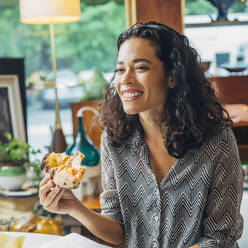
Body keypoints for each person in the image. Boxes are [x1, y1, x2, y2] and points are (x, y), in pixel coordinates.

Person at [39, 22, 244, 248]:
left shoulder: (217, 141)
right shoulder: (114, 139)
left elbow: (221, 237)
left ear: (172, 76)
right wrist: (73, 207)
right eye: (120, 69)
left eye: (140, 68)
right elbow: (120, 231)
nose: (125, 79)